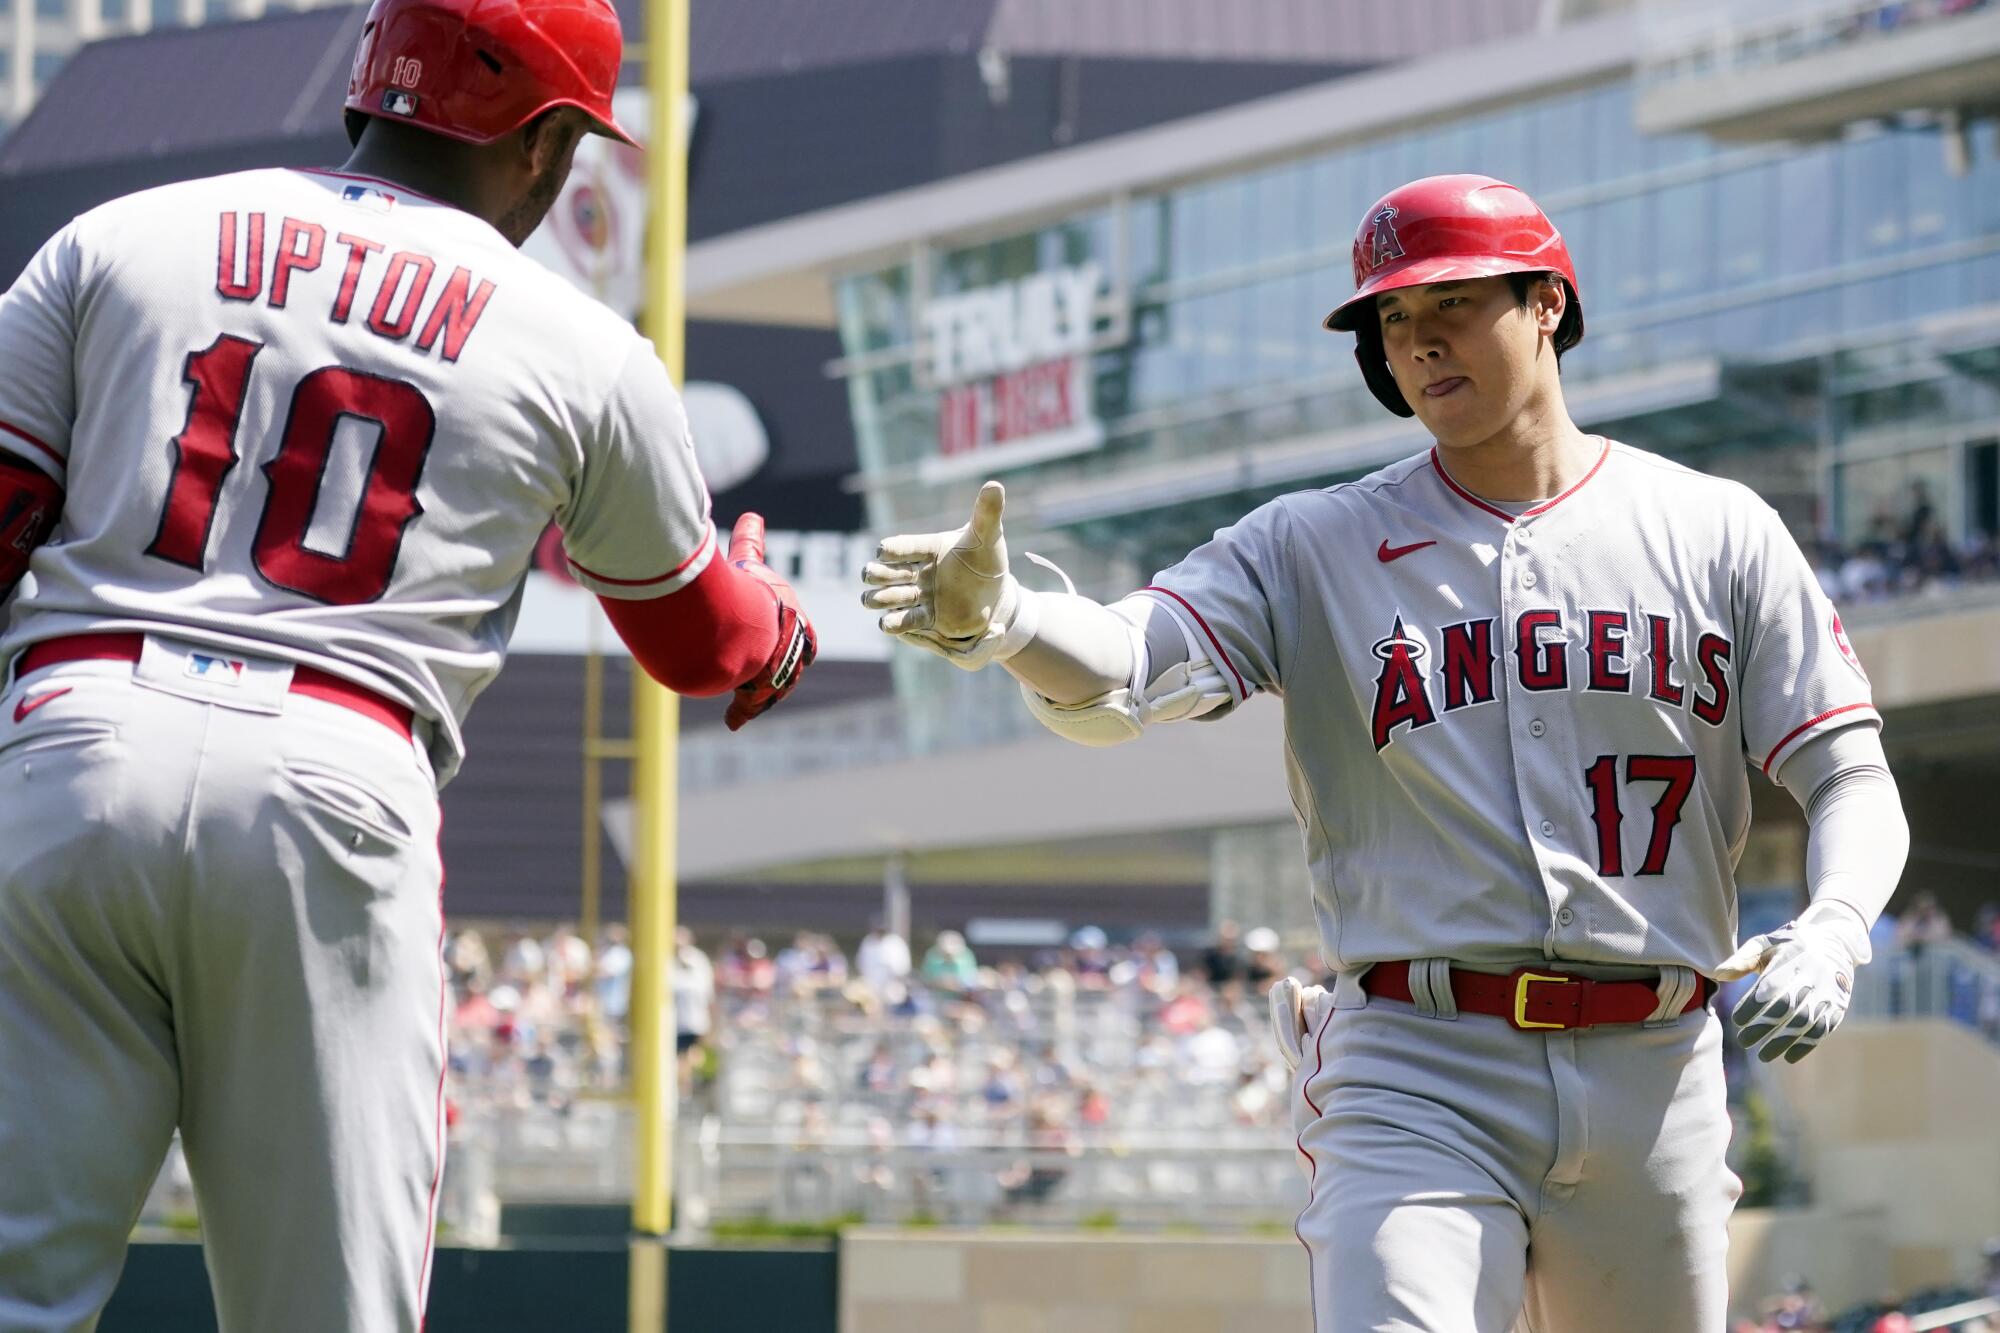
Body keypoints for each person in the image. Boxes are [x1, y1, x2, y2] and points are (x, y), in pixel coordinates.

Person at [860, 174, 1908, 1330]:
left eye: (1449, 303)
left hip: (1656, 1064)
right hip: (1418, 1058)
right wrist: (1004, 620)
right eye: (1392, 322)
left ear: (1546, 302)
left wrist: (1834, 927)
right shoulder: (1314, 542)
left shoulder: (1715, 528)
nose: (1417, 343)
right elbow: (1123, 668)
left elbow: (1847, 771)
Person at [0, 0, 819, 1324]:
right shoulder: (581, 345)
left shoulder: (126, 236)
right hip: (332, 781)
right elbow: (706, 645)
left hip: (72, 734)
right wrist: (778, 612)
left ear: (371, 86)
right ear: (550, 142)